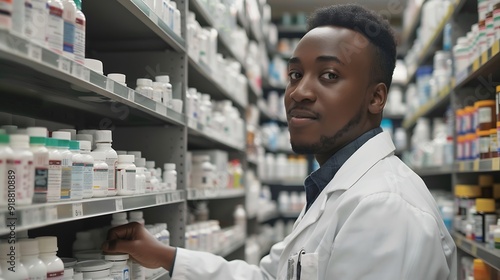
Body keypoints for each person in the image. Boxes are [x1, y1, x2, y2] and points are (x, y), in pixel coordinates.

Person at [102, 4, 457, 279]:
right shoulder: (335, 188)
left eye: (329, 75)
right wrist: (166, 255)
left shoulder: (384, 208)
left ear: (375, 98)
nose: (299, 92)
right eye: (295, 75)